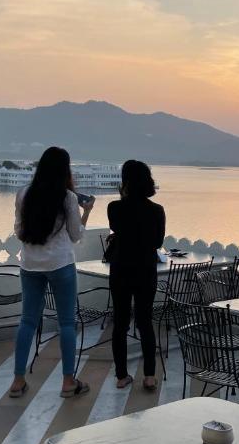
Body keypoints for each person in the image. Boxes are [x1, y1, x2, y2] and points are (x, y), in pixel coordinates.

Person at [10, 146, 93, 399]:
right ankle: (68, 382)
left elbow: (18, 230)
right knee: (67, 322)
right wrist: (86, 212)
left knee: (27, 321)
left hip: (30, 266)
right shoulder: (67, 197)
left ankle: (17, 381)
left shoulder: (23, 194)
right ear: (64, 170)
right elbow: (76, 235)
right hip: (60, 265)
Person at [107, 159, 165, 390]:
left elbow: (118, 228)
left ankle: (122, 376)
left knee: (120, 322)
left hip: (120, 269)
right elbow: (157, 242)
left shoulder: (114, 207)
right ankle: (149, 376)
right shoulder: (157, 210)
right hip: (145, 269)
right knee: (145, 322)